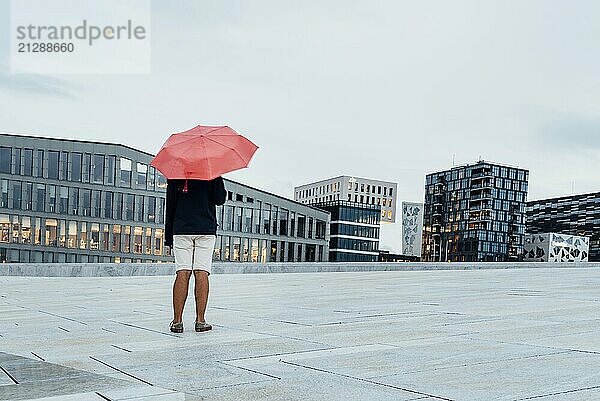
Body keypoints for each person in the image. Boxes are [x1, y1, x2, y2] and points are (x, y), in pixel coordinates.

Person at [165, 177, 226, 333]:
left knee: (182, 272)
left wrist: (168, 237)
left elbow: (170, 205)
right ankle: (200, 321)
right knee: (202, 272)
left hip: (181, 228)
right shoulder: (212, 171)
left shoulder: (176, 173)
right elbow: (220, 199)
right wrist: (218, 180)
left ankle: (177, 321)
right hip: (205, 229)